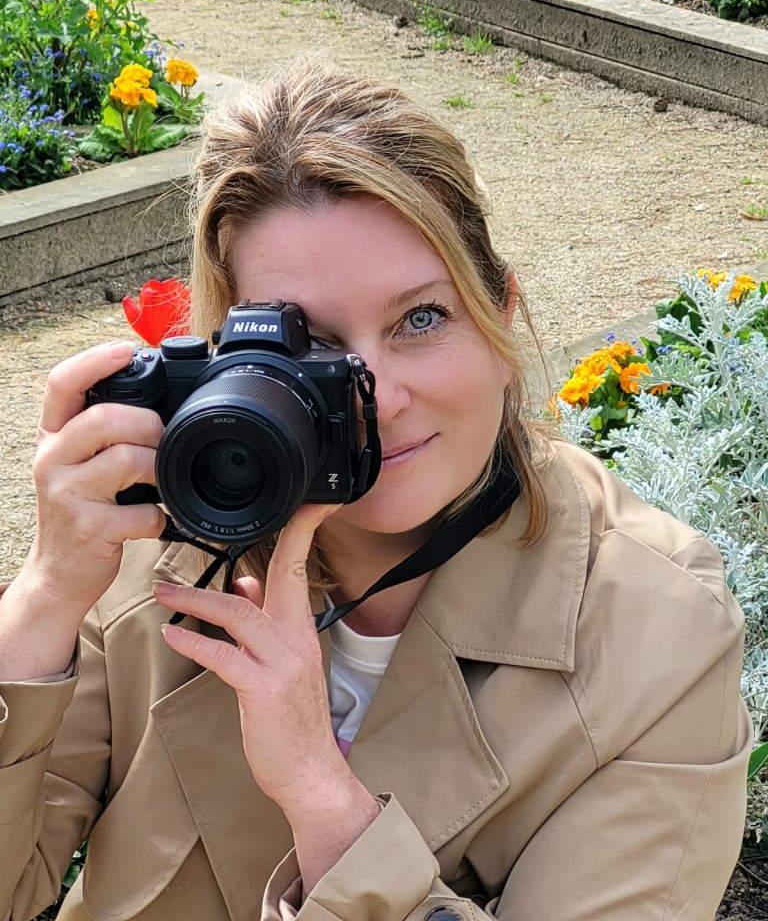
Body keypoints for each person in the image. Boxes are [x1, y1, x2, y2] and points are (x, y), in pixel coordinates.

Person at [0, 57, 751, 921]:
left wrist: (321, 797)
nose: (381, 399)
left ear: (500, 314)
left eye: (420, 319)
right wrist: (46, 595)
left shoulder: (657, 638)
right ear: (228, 358)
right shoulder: (162, 538)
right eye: (311, 346)